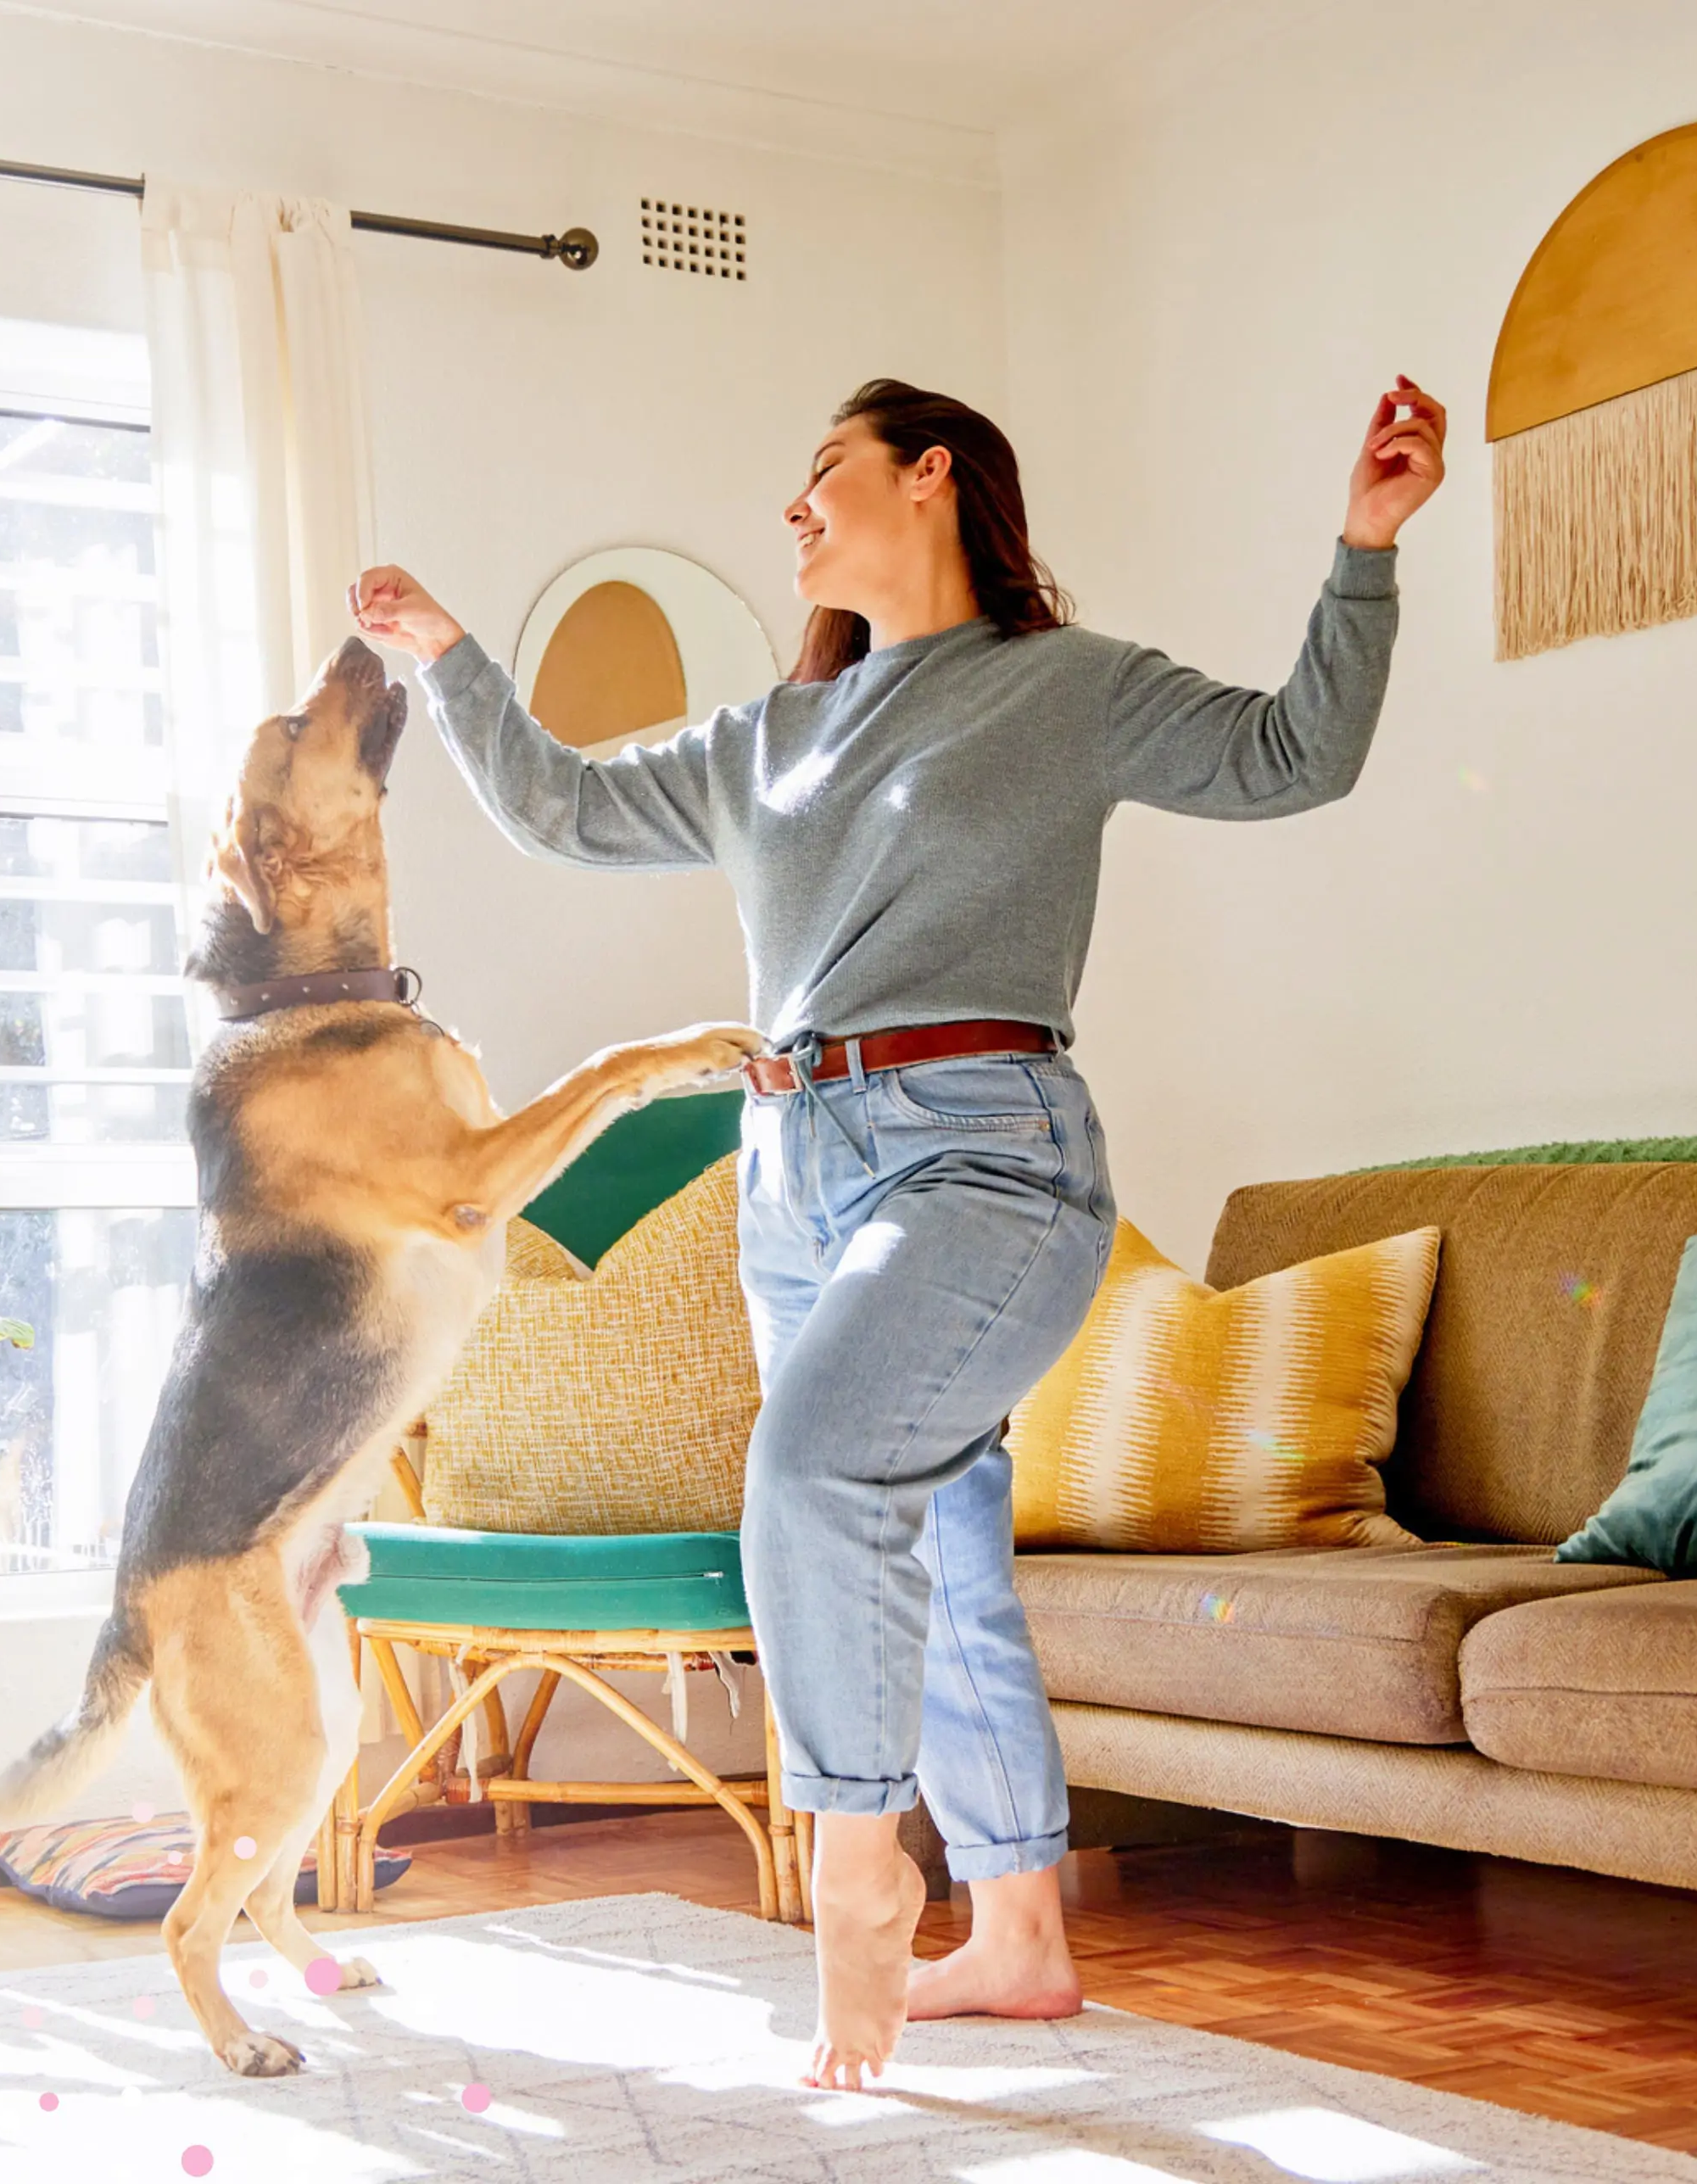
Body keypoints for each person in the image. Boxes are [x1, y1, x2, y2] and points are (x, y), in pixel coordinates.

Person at [349, 374, 1447, 2089]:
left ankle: (859, 1858)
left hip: (984, 1162)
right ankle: (1020, 1935)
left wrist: (1364, 548)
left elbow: (1295, 754)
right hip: (791, 1172)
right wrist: (450, 657)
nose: (793, 511)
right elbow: (561, 806)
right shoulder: (766, 741)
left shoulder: (1061, 691)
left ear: (931, 477)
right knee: (932, 1548)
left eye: (822, 474)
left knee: (809, 1471)